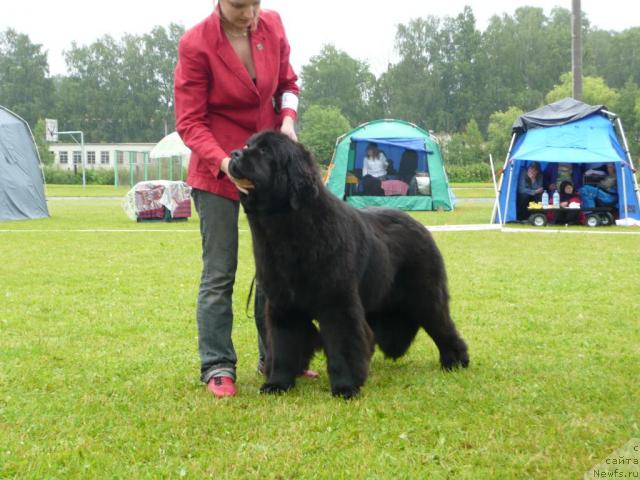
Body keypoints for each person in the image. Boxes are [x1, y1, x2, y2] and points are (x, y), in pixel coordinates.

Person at [174, 0, 316, 398]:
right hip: (216, 168)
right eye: (239, 6)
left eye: (255, 3)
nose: (250, 14)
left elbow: (289, 84)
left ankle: (276, 359)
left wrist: (287, 121)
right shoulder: (196, 44)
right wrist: (225, 164)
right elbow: (189, 121)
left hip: (269, 174)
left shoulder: (271, 24)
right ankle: (217, 365)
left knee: (275, 270)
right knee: (220, 273)